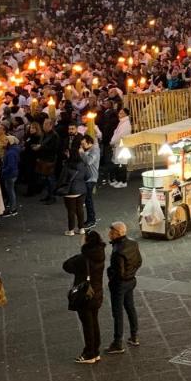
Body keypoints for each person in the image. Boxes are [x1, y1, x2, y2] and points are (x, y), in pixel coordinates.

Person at [63, 229, 106, 364]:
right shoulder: (100, 254)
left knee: (87, 324)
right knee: (94, 322)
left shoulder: (83, 259)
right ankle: (95, 351)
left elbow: (66, 265)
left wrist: (80, 253)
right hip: (97, 293)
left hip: (85, 296)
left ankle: (89, 353)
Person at [106, 222, 142, 352]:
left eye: (111, 232)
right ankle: (134, 336)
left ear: (117, 233)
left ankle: (117, 343)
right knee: (130, 307)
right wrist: (131, 273)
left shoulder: (117, 251)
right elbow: (139, 261)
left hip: (119, 285)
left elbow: (118, 272)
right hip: (131, 281)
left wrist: (110, 274)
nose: (109, 234)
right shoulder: (133, 243)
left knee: (118, 313)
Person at [56, 150, 90, 236]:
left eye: (67, 153)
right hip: (82, 190)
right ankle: (81, 228)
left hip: (70, 191)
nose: (66, 154)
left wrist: (58, 187)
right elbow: (88, 176)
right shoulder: (83, 165)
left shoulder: (67, 166)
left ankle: (71, 230)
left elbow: (62, 179)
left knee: (71, 211)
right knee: (80, 209)